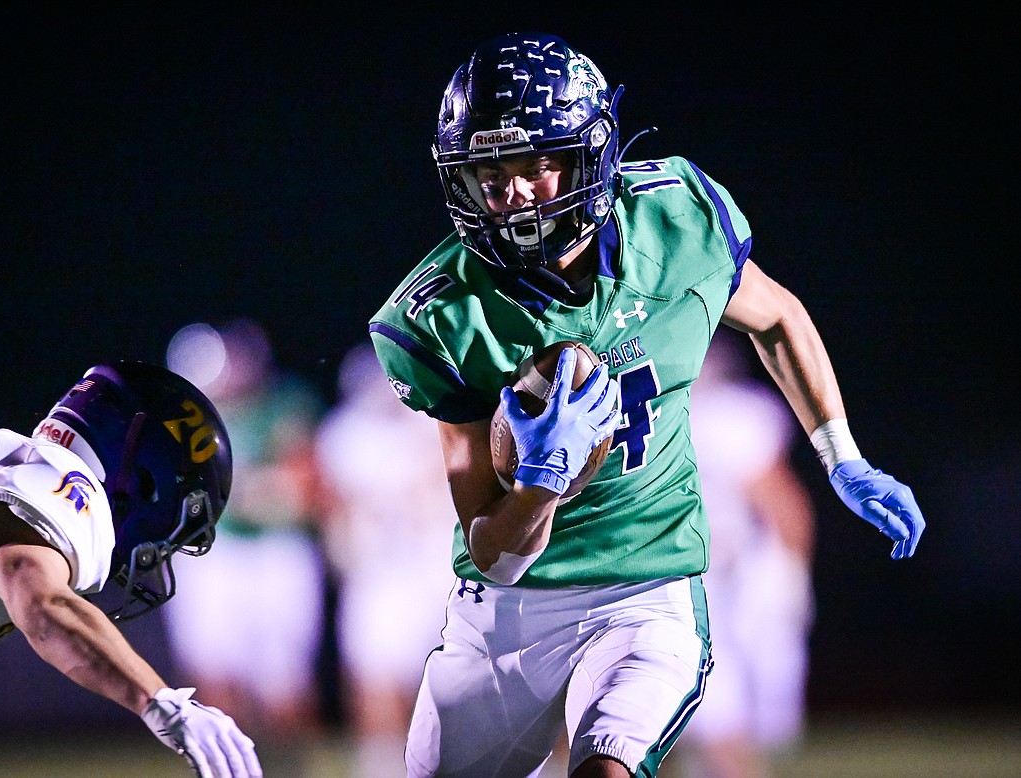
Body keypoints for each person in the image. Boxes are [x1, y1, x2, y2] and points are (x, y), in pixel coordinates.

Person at [367, 31, 926, 778]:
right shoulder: (437, 317)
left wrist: (841, 456)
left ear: (590, 154)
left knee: (607, 767)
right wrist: (540, 486)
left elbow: (777, 317)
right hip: (508, 612)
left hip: (648, 587)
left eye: (536, 165)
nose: (514, 196)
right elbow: (493, 559)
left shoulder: (679, 217)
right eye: (490, 175)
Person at [0, 360, 263, 778]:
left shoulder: (5, 461)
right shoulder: (62, 483)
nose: (161, 550)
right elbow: (43, 605)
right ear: (143, 478)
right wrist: (160, 702)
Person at [161, 319, 332, 746]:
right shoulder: (177, 422)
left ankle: (287, 771)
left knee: (285, 686)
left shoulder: (284, 404)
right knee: (212, 682)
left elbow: (305, 487)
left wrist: (254, 491)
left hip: (275, 552)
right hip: (210, 556)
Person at [663, 330, 817, 778]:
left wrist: (789, 572)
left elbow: (783, 501)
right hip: (664, 579)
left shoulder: (729, 417)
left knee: (722, 718)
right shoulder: (639, 416)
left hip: (717, 584)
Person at [313, 342, 458, 778]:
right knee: (374, 684)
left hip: (438, 570)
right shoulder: (345, 433)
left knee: (458, 686)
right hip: (380, 575)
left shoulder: (438, 421)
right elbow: (332, 506)